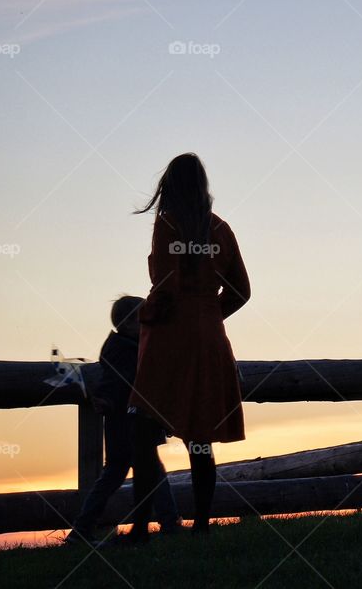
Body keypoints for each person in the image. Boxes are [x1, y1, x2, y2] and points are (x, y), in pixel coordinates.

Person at [127, 152, 251, 542]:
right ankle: (200, 526)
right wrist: (211, 316)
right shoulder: (222, 230)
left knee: (142, 429)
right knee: (200, 435)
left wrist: (143, 318)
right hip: (210, 339)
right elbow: (242, 291)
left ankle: (142, 528)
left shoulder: (168, 225)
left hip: (171, 338)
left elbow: (165, 288)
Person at [64, 295, 181, 545]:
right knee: (123, 474)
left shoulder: (126, 348)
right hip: (127, 424)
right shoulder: (124, 351)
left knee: (141, 473)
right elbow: (117, 383)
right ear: (130, 324)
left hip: (132, 422)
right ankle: (83, 529)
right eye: (144, 320)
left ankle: (169, 522)